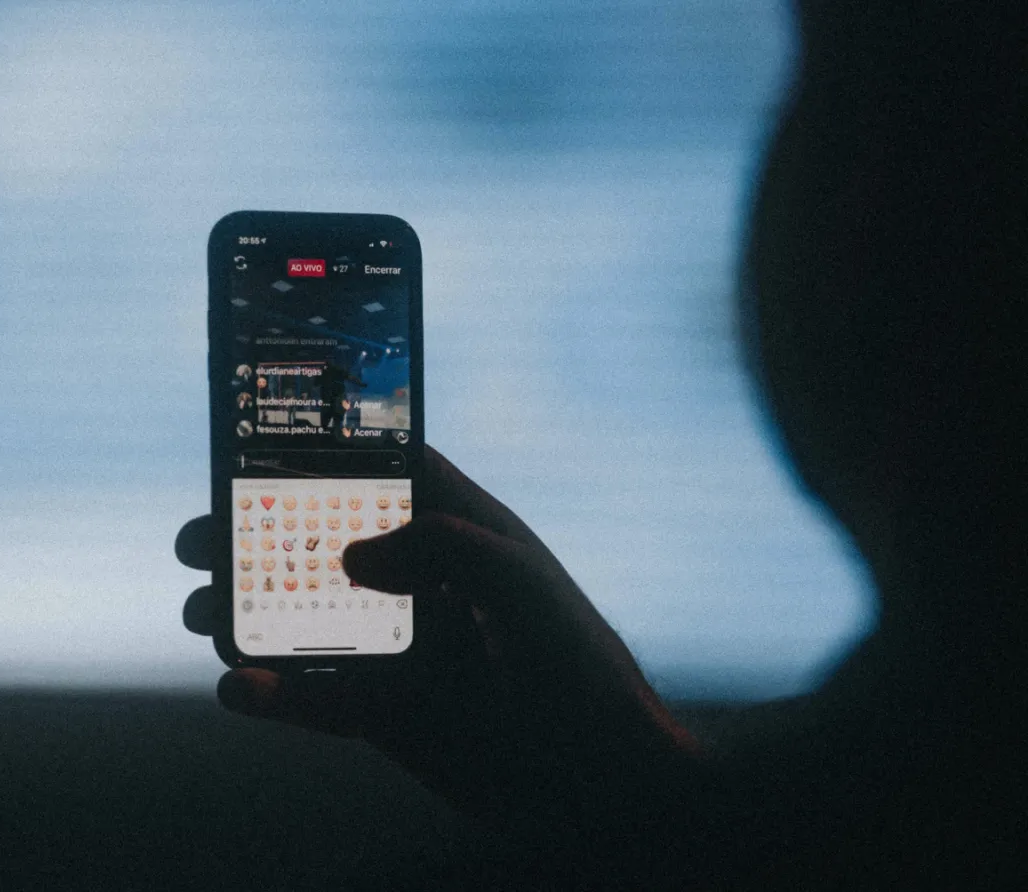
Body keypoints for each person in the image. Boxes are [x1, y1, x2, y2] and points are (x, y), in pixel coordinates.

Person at [176, 3, 1024, 887]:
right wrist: (656, 801)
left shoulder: (925, 776)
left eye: (836, 110)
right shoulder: (928, 759)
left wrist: (656, 815)